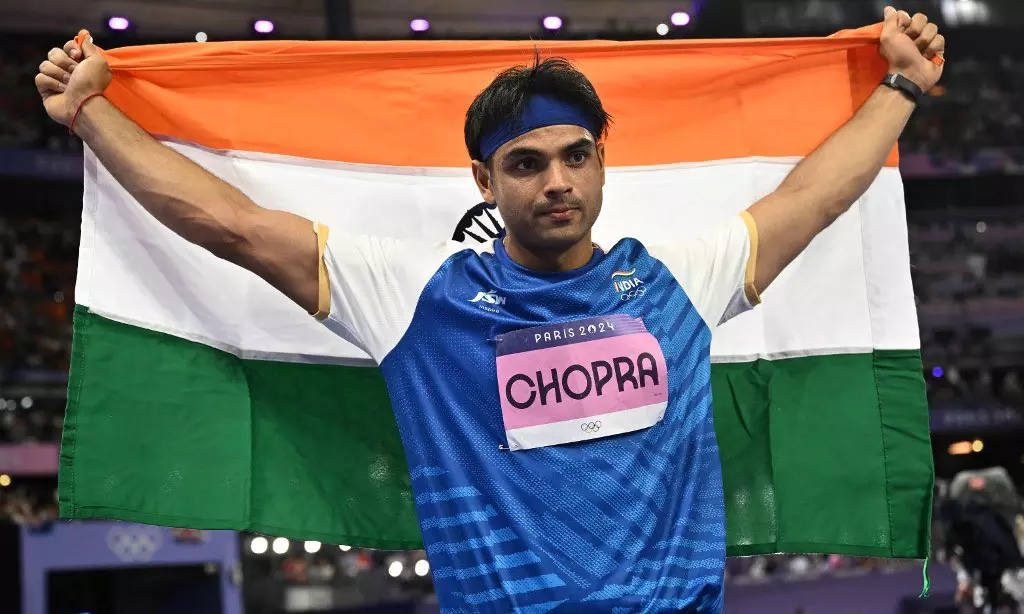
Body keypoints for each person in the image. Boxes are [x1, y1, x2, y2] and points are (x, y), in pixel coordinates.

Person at [34, 7, 944, 612]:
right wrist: (91, 115)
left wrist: (900, 88)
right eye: (526, 163)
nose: (558, 181)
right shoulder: (417, 296)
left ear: (601, 161)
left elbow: (810, 199)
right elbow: (230, 225)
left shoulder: (676, 280)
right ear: (484, 179)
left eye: (576, 155)